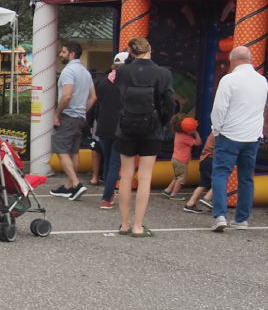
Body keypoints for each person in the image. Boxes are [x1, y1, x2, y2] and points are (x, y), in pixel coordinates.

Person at [112, 36, 175, 237]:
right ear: (150, 50)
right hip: (152, 129)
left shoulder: (122, 72)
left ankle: (124, 224)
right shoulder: (163, 73)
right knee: (145, 177)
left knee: (126, 175)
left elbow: (119, 99)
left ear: (130, 52)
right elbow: (170, 103)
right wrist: (161, 121)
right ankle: (139, 226)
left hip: (126, 128)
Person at [210, 45, 268, 231]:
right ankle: (242, 219)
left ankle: (220, 215)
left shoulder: (229, 79)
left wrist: (216, 130)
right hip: (252, 137)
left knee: (220, 174)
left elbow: (219, 108)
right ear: (251, 59)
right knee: (246, 178)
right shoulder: (262, 81)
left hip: (229, 135)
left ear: (232, 60)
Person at [49, 40, 93, 200]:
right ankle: (69, 186)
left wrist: (57, 113)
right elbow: (93, 97)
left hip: (68, 115)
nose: (60, 54)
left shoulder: (68, 71)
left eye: (63, 52)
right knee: (73, 151)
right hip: (80, 116)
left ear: (72, 54)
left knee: (60, 148)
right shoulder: (86, 72)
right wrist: (82, 110)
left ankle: (76, 183)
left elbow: (67, 95)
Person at [90, 51, 128, 209]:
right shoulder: (127, 83)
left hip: (103, 125)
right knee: (115, 163)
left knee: (108, 161)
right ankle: (106, 197)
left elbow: (95, 104)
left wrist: (92, 123)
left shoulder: (103, 81)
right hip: (121, 127)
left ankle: (108, 193)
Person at [164, 114, 200, 199]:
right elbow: (198, 143)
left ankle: (168, 190)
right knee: (181, 178)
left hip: (175, 159)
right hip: (181, 160)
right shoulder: (185, 137)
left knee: (177, 176)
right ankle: (174, 194)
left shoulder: (178, 134)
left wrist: (193, 124)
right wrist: (196, 132)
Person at [183, 132, 216, 213]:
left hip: (204, 159)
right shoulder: (220, 133)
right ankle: (207, 198)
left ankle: (190, 204)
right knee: (219, 181)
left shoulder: (214, 132)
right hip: (211, 159)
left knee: (203, 183)